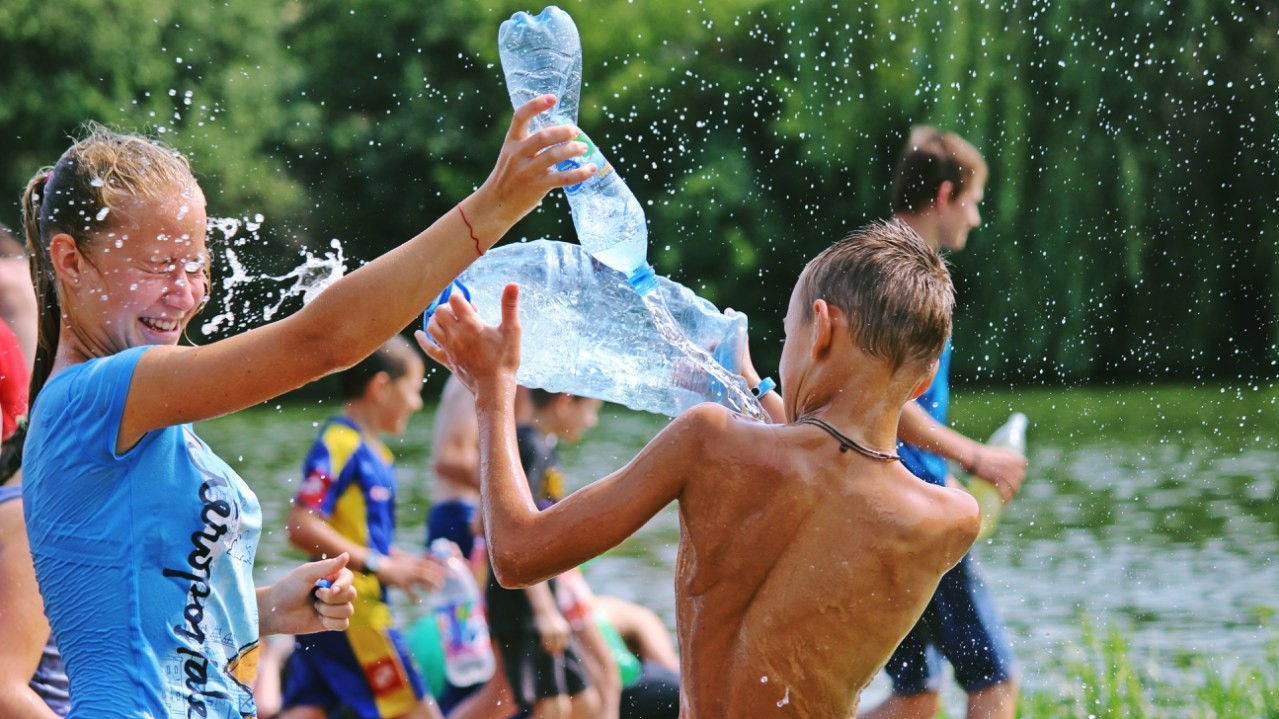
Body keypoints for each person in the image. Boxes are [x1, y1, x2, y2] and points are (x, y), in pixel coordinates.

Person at [13, 94, 592, 718]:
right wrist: (495, 205)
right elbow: (323, 341)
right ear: (70, 261)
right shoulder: (94, 393)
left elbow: (140, 613)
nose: (185, 293)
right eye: (159, 266)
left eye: (196, 264)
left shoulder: (127, 412)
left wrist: (259, 608)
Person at [419, 219, 982, 716]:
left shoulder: (709, 441)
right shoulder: (948, 521)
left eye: (789, 335)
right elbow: (834, 463)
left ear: (823, 327)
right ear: (926, 380)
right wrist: (755, 387)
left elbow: (517, 554)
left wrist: (493, 391)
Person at [858, 127, 1029, 719]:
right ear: (946, 194)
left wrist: (938, 473)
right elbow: (882, 404)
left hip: (890, 503)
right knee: (994, 681)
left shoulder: (876, 264)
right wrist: (976, 458)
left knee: (915, 700)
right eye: (974, 201)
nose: (977, 218)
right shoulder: (907, 277)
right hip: (912, 510)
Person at [281, 336, 447, 719]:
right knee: (419, 712)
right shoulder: (340, 443)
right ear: (382, 387)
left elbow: (361, 537)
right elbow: (300, 524)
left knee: (307, 710)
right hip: (356, 611)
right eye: (414, 390)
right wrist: (381, 566)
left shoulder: (378, 453)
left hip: (331, 609)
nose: (417, 403)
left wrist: (405, 564)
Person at [483, 388, 605, 719]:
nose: (592, 421)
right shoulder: (528, 446)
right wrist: (545, 610)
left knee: (584, 702)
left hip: (540, 594)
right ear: (565, 401)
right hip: (521, 598)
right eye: (591, 410)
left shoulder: (544, 447)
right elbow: (518, 535)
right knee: (549, 707)